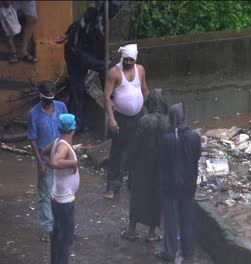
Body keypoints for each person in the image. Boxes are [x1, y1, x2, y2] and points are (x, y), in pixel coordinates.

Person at [55, 2, 121, 131]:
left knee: (77, 87)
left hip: (79, 52)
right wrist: (110, 95)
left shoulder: (100, 17)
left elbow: (78, 24)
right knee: (79, 86)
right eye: (115, 10)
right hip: (76, 54)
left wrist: (67, 34)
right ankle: (77, 124)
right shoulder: (96, 20)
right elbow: (102, 59)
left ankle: (75, 121)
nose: (115, 13)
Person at [120, 90, 170, 242]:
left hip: (142, 166)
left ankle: (131, 230)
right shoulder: (168, 122)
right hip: (160, 167)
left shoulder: (143, 120)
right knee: (156, 198)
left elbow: (135, 145)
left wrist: (127, 165)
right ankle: (152, 233)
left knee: (137, 197)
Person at [103, 43, 149, 199]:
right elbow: (107, 97)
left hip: (138, 117)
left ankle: (134, 182)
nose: (128, 62)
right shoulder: (114, 73)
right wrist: (111, 118)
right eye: (126, 59)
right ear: (122, 58)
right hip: (121, 119)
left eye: (131, 60)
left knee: (137, 150)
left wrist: (147, 111)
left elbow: (145, 89)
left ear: (135, 59)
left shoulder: (140, 70)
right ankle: (112, 187)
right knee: (117, 152)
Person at [157, 103, 202, 262]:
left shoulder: (166, 139)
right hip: (189, 185)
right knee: (187, 219)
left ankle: (170, 252)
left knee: (171, 220)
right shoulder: (195, 137)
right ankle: (188, 250)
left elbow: (161, 162)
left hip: (170, 187)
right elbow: (196, 157)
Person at [27, 81, 68, 242]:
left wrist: (70, 155)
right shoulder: (33, 114)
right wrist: (40, 162)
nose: (50, 101)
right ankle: (46, 228)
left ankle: (62, 226)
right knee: (45, 193)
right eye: (46, 98)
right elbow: (33, 140)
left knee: (62, 192)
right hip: (45, 158)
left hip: (61, 155)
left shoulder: (61, 107)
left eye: (52, 97)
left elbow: (68, 131)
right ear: (40, 96)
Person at [41, 113, 79, 264]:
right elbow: (57, 162)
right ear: (73, 129)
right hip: (64, 201)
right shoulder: (64, 146)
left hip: (57, 196)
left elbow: (44, 153)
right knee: (65, 239)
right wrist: (73, 163)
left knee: (57, 235)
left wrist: (50, 164)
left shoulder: (57, 142)